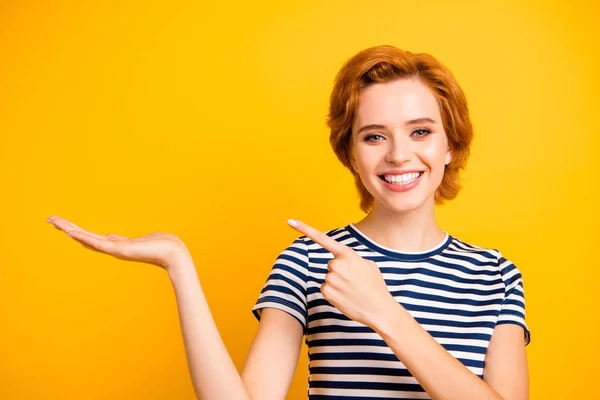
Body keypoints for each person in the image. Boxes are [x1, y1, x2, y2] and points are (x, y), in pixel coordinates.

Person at [47, 45, 530, 400]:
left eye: (421, 131)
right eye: (374, 136)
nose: (399, 154)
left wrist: (385, 313)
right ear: (350, 156)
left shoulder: (497, 275)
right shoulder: (308, 261)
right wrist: (179, 266)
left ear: (450, 145)